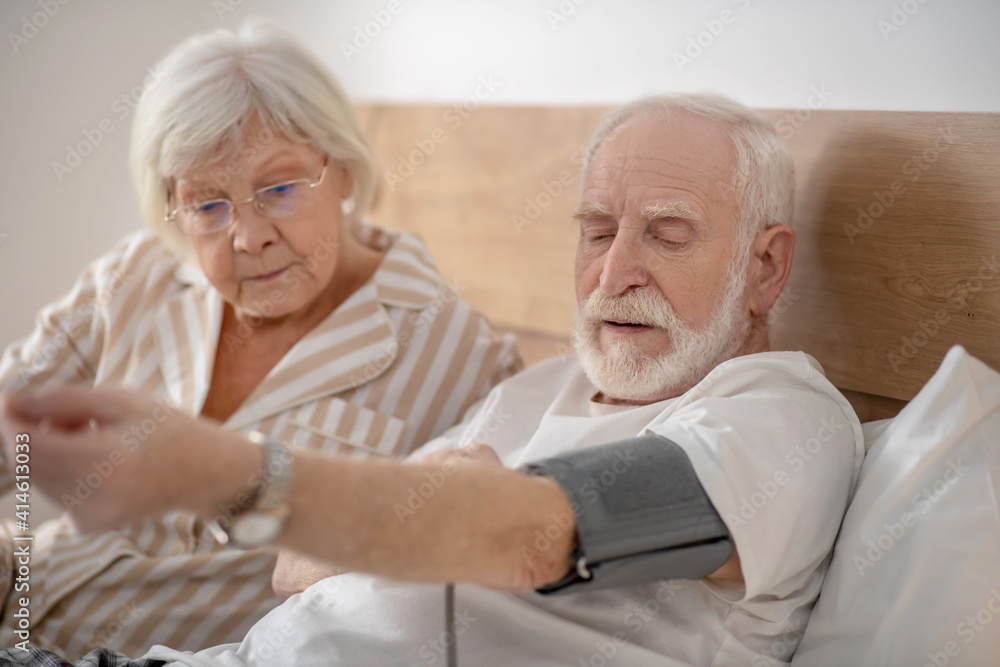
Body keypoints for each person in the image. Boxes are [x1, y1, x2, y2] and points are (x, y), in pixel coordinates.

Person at [0, 92, 864, 666]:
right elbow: (297, 565)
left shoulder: (783, 417)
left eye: (667, 234)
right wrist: (437, 505)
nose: (613, 275)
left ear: (765, 267)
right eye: (598, 230)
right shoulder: (539, 389)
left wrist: (224, 473)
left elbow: (535, 537)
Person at [0, 20, 519, 659]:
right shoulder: (137, 274)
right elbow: (9, 420)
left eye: (277, 189)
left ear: (346, 172)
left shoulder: (460, 358)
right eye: (207, 206)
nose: (248, 237)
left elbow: (465, 567)